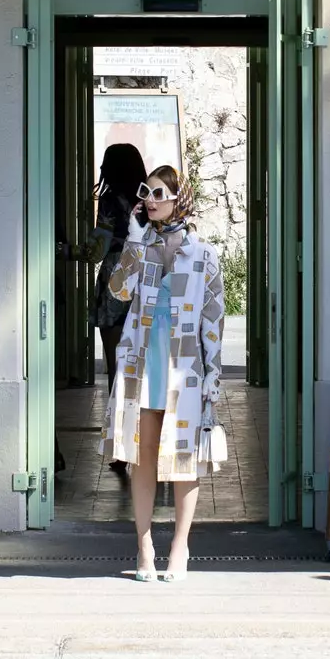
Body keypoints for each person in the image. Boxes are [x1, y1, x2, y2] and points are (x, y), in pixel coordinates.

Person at [101, 165, 225, 582]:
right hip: (143, 366)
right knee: (143, 460)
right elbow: (117, 293)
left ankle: (180, 546)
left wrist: (214, 374)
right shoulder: (140, 248)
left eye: (157, 193)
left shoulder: (203, 254)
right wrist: (133, 243)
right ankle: (143, 546)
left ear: (178, 198)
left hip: (185, 368)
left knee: (184, 462)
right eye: (145, 192)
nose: (149, 199)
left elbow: (213, 320)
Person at [86, 144, 147, 473]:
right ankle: (150, 443)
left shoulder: (109, 201)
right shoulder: (150, 198)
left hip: (115, 282)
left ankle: (123, 449)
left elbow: (97, 249)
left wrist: (69, 249)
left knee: (117, 369)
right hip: (147, 281)